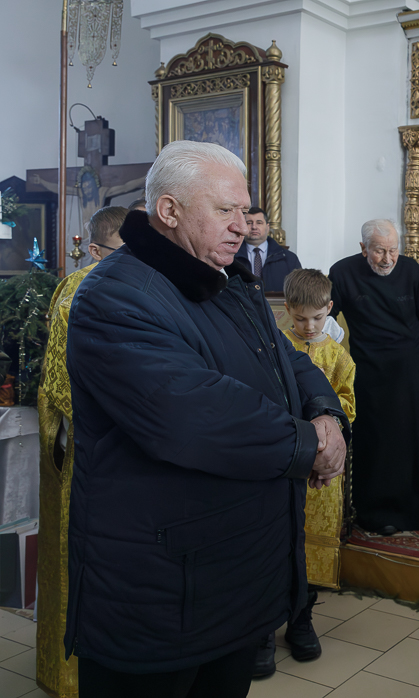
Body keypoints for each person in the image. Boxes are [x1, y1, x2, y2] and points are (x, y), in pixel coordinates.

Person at [64, 140, 347, 698]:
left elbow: (286, 359)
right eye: (225, 210)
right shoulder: (114, 295)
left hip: (231, 577)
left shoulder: (222, 277)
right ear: (169, 211)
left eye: (244, 210)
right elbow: (194, 414)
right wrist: (307, 446)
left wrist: (325, 412)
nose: (242, 226)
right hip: (162, 587)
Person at [36, 205, 128, 698]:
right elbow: (60, 378)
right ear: (94, 251)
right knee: (79, 556)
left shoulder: (135, 283)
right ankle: (70, 674)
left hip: (125, 447)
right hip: (88, 445)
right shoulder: (78, 290)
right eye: (124, 250)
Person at [254, 268, 358, 678]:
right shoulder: (272, 347)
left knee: (311, 546)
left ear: (328, 309)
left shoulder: (339, 357)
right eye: (300, 319)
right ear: (287, 311)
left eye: (317, 318)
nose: (309, 327)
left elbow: (347, 405)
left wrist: (325, 425)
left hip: (320, 472)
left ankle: (301, 620)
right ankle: (262, 630)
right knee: (272, 542)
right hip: (281, 460)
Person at [329, 219, 419, 535]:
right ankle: (378, 511)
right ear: (363, 248)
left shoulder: (410, 269)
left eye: (393, 250)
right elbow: (326, 317)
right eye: (380, 251)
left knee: (416, 436)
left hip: (414, 365)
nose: (388, 259)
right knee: (379, 440)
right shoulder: (342, 272)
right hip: (371, 369)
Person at [233, 206, 302, 293]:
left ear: (267, 227)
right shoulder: (231, 257)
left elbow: (299, 292)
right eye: (249, 223)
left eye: (259, 223)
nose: (254, 227)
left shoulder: (289, 259)